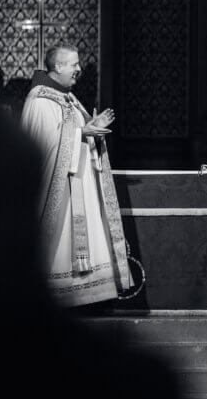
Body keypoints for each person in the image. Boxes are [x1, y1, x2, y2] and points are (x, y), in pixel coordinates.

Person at [21, 43, 134, 306]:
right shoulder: (40, 100)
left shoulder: (69, 98)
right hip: (59, 193)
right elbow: (44, 142)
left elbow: (76, 134)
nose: (79, 69)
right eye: (74, 64)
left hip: (79, 185)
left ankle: (86, 296)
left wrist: (93, 127)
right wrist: (82, 133)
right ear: (58, 66)